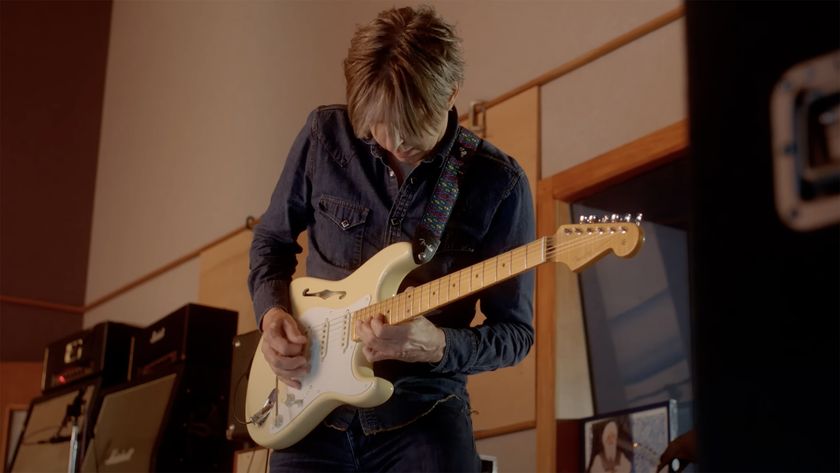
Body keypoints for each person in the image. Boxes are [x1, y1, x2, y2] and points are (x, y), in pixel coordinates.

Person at [248, 5, 535, 472]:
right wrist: (272, 315)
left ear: (451, 94)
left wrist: (439, 345)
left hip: (423, 409)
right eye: (378, 124)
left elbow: (515, 334)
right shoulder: (324, 137)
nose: (395, 140)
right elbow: (271, 244)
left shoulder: (497, 183)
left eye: (411, 123)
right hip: (307, 410)